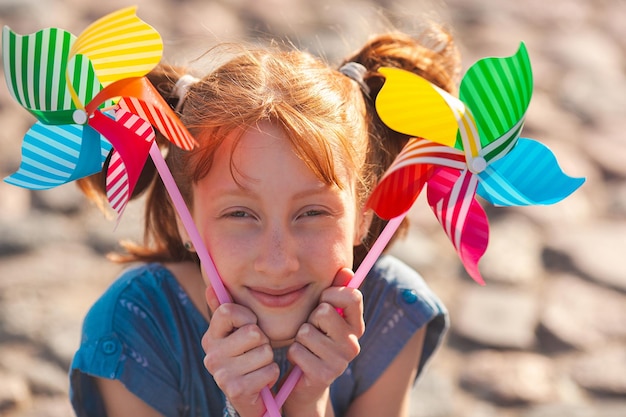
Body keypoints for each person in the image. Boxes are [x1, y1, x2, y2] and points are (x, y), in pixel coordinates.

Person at [70, 21, 460, 417]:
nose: (278, 262)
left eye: (312, 212)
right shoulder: (135, 329)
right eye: (240, 213)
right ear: (184, 217)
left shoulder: (391, 310)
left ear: (366, 214)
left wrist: (309, 403)